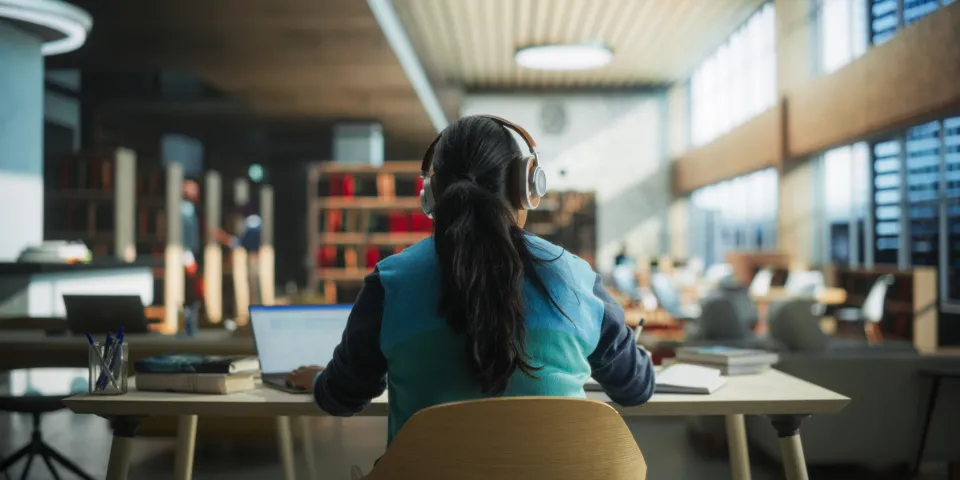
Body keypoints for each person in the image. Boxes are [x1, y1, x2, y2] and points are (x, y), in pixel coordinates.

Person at [286, 115, 656, 445]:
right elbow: (635, 388)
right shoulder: (575, 278)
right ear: (527, 187)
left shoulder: (390, 282)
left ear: (431, 195)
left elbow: (343, 396)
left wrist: (321, 381)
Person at [181, 178, 202, 335]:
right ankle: (186, 323)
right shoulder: (184, 209)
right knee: (188, 289)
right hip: (184, 254)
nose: (196, 193)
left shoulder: (190, 209)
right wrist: (187, 256)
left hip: (190, 252)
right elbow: (184, 235)